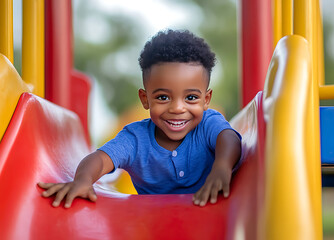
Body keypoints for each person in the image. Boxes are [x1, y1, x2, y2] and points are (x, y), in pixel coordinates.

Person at [38, 29, 242, 208]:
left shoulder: (208, 123)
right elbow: (100, 160)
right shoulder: (135, 139)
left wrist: (222, 166)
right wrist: (83, 180)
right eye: (163, 97)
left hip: (210, 216)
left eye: (191, 98)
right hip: (151, 223)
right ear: (145, 99)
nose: (178, 108)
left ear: (206, 100)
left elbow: (228, 138)